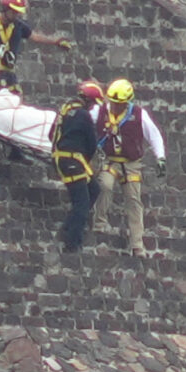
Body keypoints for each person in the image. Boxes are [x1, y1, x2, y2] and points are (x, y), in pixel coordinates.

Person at [89, 78, 166, 249]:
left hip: (132, 164)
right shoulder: (99, 112)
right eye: (113, 102)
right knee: (105, 185)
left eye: (119, 104)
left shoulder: (139, 115)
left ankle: (137, 243)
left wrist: (160, 158)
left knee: (133, 200)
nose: (115, 106)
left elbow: (154, 136)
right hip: (109, 160)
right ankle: (99, 223)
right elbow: (84, 121)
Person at [0, 0, 75, 96]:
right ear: (5, 8)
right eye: (14, 12)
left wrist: (57, 41)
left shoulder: (18, 25)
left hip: (9, 74)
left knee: (16, 98)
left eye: (17, 12)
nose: (16, 15)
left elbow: (36, 37)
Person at [51, 81, 105, 253]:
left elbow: (52, 133)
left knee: (94, 189)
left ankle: (69, 226)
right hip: (73, 162)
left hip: (63, 159)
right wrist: (86, 159)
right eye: (93, 103)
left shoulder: (65, 110)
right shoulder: (83, 115)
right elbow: (91, 143)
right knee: (81, 203)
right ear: (88, 100)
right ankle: (72, 243)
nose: (93, 107)